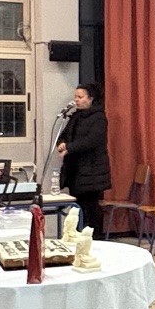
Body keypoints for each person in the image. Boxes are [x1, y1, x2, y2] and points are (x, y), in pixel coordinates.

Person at [56, 82, 110, 234]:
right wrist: (62, 143)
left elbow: (92, 141)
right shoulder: (76, 117)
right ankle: (78, 236)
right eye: (75, 97)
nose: (76, 100)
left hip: (92, 172)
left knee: (90, 208)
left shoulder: (99, 118)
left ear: (91, 99)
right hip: (76, 171)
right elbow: (65, 135)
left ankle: (94, 237)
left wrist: (70, 148)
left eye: (80, 97)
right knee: (78, 207)